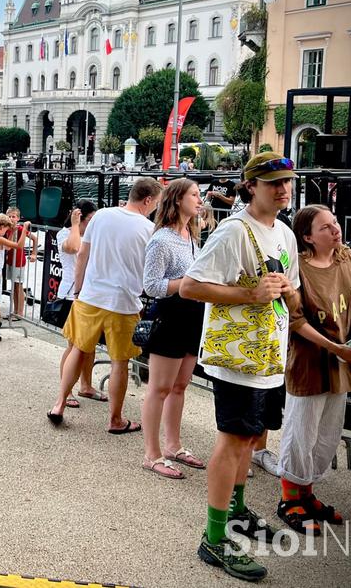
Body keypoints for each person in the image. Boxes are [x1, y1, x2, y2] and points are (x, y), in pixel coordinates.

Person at [180, 152, 301, 582]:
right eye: (274, 184)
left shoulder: (284, 235)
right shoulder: (234, 232)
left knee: (250, 439)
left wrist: (287, 291)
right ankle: (213, 539)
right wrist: (250, 295)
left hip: (268, 356)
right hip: (236, 359)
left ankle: (235, 512)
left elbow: (295, 298)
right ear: (251, 186)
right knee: (232, 443)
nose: (284, 190)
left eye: (287, 182)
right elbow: (191, 286)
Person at [278, 204, 351, 534]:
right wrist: (337, 348)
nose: (336, 230)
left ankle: (308, 493)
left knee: (328, 432)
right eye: (326, 227)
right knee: (301, 431)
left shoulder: (348, 257)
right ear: (307, 237)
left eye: (335, 223)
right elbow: (296, 320)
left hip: (343, 361)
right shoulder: (298, 270)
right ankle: (290, 499)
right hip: (308, 363)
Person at [48, 177, 162, 427]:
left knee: (77, 349)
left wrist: (78, 290)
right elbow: (148, 273)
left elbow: (83, 256)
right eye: (156, 203)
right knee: (119, 362)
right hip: (123, 300)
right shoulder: (148, 229)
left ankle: (59, 403)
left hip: (91, 294)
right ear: (148, 200)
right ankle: (116, 419)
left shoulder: (100, 216)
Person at [140, 179, 207, 480]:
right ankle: (151, 454)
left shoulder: (191, 235)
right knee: (160, 388)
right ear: (178, 199)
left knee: (180, 386)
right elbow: (151, 285)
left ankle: (173, 445)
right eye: (194, 194)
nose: (199, 198)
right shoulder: (162, 240)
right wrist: (188, 284)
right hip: (171, 314)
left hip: (193, 314)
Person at [52, 201, 102, 407]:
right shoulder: (66, 234)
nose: (92, 224)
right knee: (74, 346)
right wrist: (74, 225)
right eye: (90, 220)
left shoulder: (91, 235)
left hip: (90, 295)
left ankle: (86, 385)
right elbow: (73, 248)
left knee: (89, 347)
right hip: (71, 295)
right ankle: (67, 390)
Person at [0, 214, 30, 343]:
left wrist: (13, 232)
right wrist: (25, 229)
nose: (6, 232)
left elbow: (8, 247)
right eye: (6, 230)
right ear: (1, 227)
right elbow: (19, 246)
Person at [5, 206, 39, 321]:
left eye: (13, 217)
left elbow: (34, 238)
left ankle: (19, 313)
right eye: (9, 216)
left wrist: (34, 253)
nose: (11, 219)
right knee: (14, 286)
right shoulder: (7, 229)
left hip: (18, 260)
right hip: (10, 260)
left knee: (18, 286)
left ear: (18, 218)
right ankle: (15, 311)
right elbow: (8, 244)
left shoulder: (20, 229)